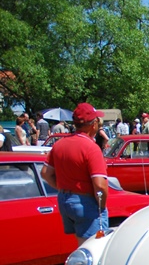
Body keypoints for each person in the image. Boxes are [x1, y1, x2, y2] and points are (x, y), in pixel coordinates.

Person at [40, 103, 109, 245]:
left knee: (82, 244)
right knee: (94, 248)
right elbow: (100, 186)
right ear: (94, 124)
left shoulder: (59, 144)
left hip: (65, 199)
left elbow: (46, 173)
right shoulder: (91, 148)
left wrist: (63, 189)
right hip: (85, 202)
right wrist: (101, 207)